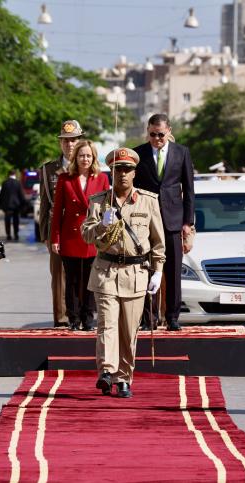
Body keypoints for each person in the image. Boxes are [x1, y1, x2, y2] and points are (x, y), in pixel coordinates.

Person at [82, 147, 165, 398]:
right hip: (106, 271)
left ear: (134, 173)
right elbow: (86, 235)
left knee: (129, 331)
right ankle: (107, 372)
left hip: (135, 272)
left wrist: (158, 272)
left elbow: (158, 241)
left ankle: (124, 377)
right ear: (112, 172)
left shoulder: (148, 201)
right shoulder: (99, 202)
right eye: (118, 170)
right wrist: (101, 225)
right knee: (106, 325)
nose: (123, 175)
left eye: (128, 170)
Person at [133, 113, 194, 331]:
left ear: (168, 131)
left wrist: (188, 222)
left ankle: (172, 317)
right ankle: (148, 318)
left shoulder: (181, 152)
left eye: (160, 134)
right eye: (152, 134)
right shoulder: (138, 153)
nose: (157, 139)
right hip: (146, 221)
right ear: (147, 132)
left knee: (173, 270)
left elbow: (189, 189)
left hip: (173, 219)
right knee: (147, 268)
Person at [51, 140, 110, 331]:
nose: (85, 159)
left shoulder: (101, 178)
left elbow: (108, 208)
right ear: (75, 157)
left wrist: (107, 232)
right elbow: (57, 211)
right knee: (72, 281)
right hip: (71, 236)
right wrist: (55, 239)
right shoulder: (65, 179)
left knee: (91, 281)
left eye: (88, 155)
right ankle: (73, 319)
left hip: (94, 235)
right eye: (81, 155)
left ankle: (88, 319)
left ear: (93, 157)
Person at [40, 120, 83, 327]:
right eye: (65, 141)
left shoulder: (87, 166)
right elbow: (44, 202)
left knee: (84, 273)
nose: (69, 145)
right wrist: (45, 234)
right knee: (59, 276)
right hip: (57, 227)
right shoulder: (49, 169)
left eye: (73, 140)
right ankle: (62, 318)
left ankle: (83, 315)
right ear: (60, 144)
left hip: (82, 228)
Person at [0, 170, 26, 241]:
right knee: (16, 221)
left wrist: (1, 206)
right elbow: (21, 195)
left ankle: (8, 235)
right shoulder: (18, 183)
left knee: (7, 221)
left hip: (7, 206)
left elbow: (1, 195)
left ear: (8, 174)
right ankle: (16, 234)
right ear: (15, 174)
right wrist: (23, 205)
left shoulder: (5, 183)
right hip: (16, 206)